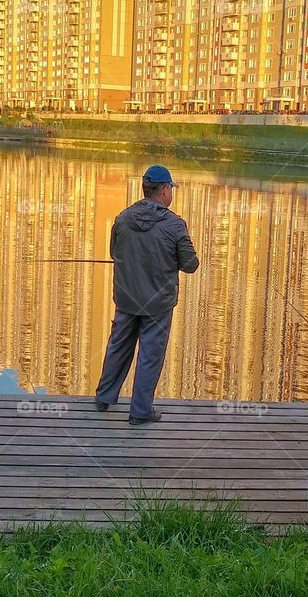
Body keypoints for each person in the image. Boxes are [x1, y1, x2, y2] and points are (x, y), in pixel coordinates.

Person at [94, 165, 200, 425]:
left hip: (127, 297)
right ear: (164, 190)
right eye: (170, 189)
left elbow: (114, 254)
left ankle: (104, 397)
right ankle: (140, 411)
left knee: (118, 345)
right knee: (150, 354)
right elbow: (190, 265)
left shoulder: (122, 218)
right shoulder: (175, 225)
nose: (171, 193)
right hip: (158, 303)